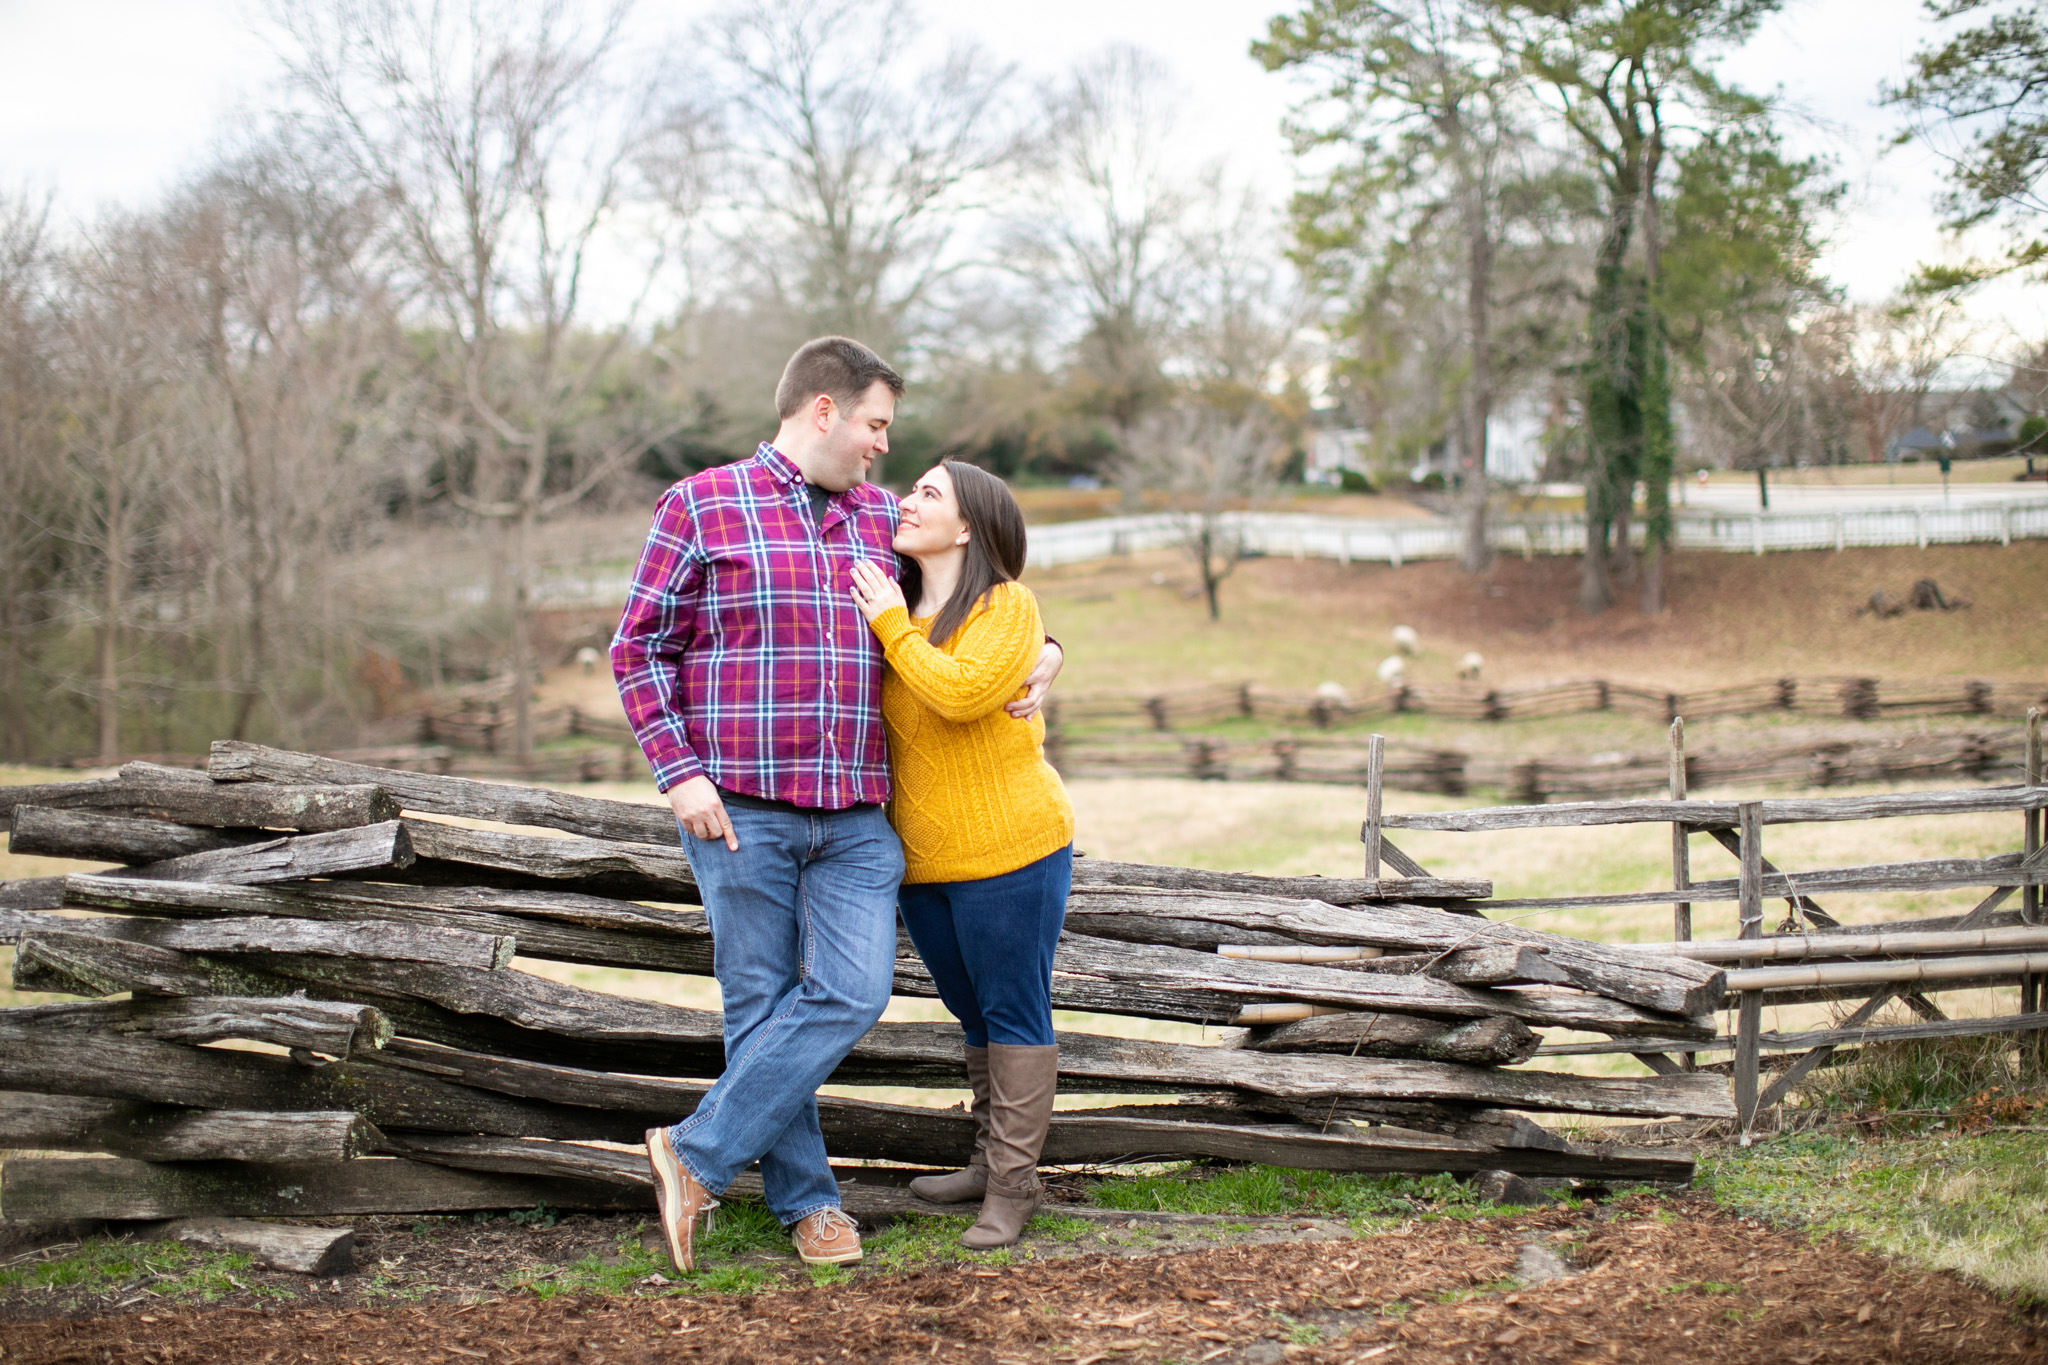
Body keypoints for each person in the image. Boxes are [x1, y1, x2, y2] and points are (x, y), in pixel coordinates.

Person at [611, 338, 1064, 1274]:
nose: (881, 449)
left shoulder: (876, 526)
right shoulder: (701, 505)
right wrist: (678, 770)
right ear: (825, 409)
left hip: (861, 816)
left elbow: (970, 604)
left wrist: (1048, 649)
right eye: (875, 424)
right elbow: (639, 647)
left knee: (853, 992)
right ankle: (811, 1206)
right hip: (743, 807)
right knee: (761, 1003)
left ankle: (691, 1154)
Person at [847, 459, 1075, 1249]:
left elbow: (962, 692)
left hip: (1012, 848)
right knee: (971, 1011)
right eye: (908, 489)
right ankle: (987, 1159)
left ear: (970, 524)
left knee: (1012, 1008)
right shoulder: (899, 600)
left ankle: (1013, 1187)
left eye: (929, 494)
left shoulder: (1006, 603)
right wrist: (894, 621)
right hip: (924, 859)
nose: (907, 501)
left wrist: (890, 628)